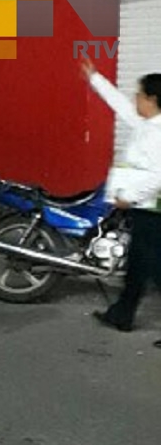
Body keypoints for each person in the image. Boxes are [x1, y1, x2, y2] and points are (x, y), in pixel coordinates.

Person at [80, 58, 161, 345]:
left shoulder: (158, 133)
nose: (134, 99)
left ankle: (122, 313)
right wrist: (95, 78)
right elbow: (121, 106)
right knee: (138, 267)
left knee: (153, 269)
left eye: (139, 94)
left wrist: (129, 197)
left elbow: (158, 176)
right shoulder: (146, 123)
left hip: (152, 212)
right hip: (143, 210)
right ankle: (122, 314)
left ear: (151, 99)